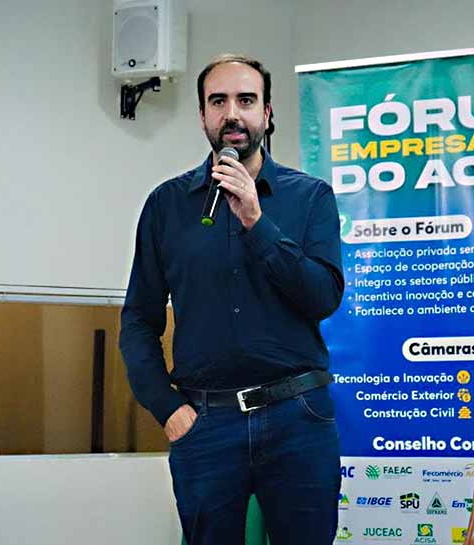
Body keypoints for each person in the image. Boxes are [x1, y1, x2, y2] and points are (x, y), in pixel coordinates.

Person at [119, 53, 344, 545]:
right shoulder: (166, 205)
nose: (232, 114)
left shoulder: (310, 198)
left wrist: (256, 223)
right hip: (206, 423)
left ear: (267, 114)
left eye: (246, 100)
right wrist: (168, 409)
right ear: (202, 116)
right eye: (218, 102)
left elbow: (323, 296)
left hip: (298, 417)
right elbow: (138, 319)